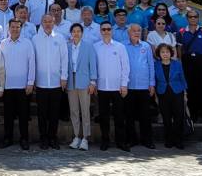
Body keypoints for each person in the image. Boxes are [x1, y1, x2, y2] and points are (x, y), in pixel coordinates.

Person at [33, 14, 68, 150]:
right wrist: (33, 79)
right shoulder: (35, 39)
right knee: (42, 113)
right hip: (41, 83)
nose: (47, 24)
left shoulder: (60, 38)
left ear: (54, 23)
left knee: (54, 113)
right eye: (45, 21)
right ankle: (43, 138)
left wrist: (64, 77)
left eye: (50, 21)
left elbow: (64, 59)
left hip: (56, 82)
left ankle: (53, 137)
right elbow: (33, 60)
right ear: (41, 23)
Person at [93, 20, 130, 151]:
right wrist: (94, 84)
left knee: (120, 116)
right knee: (104, 117)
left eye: (108, 29)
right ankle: (105, 141)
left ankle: (121, 142)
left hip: (117, 88)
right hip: (102, 88)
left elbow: (125, 67)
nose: (106, 31)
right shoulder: (95, 47)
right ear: (100, 31)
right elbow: (94, 68)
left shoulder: (120, 47)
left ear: (112, 31)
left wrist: (124, 85)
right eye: (104, 29)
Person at [0, 19, 35, 150]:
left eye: (17, 27)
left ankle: (24, 139)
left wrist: (30, 82)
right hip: (8, 86)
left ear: (21, 28)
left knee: (23, 116)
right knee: (8, 115)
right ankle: (7, 138)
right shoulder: (3, 44)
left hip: (23, 86)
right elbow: (0, 66)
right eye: (12, 27)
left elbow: (32, 63)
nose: (15, 29)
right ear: (8, 28)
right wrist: (1, 85)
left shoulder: (27, 43)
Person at [176, 10, 202, 123]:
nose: (193, 18)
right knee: (190, 88)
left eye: (195, 16)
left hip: (201, 60)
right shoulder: (181, 32)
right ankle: (193, 114)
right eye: (190, 17)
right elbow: (179, 50)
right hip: (187, 62)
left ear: (198, 18)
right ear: (187, 19)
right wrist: (181, 64)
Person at [124, 24, 156, 149]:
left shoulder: (146, 46)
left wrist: (151, 83)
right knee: (129, 115)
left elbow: (151, 65)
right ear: (129, 33)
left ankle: (147, 140)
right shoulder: (123, 46)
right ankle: (131, 139)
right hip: (129, 85)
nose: (137, 33)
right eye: (134, 31)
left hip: (144, 86)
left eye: (139, 31)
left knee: (145, 115)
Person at [66, 23, 97, 151]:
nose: (76, 33)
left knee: (85, 110)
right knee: (74, 111)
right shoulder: (67, 46)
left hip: (84, 82)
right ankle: (76, 136)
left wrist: (93, 82)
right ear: (71, 33)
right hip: (71, 81)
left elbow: (93, 64)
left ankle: (85, 138)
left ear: (82, 33)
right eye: (74, 31)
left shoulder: (88, 46)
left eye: (79, 31)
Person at [154, 43, 187, 149]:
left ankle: (179, 140)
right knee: (166, 118)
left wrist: (185, 94)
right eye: (162, 52)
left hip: (177, 92)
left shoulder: (178, 63)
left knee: (178, 117)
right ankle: (169, 140)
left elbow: (182, 78)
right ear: (159, 54)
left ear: (171, 53)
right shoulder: (156, 65)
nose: (165, 54)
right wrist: (155, 95)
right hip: (163, 93)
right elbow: (154, 81)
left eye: (167, 52)